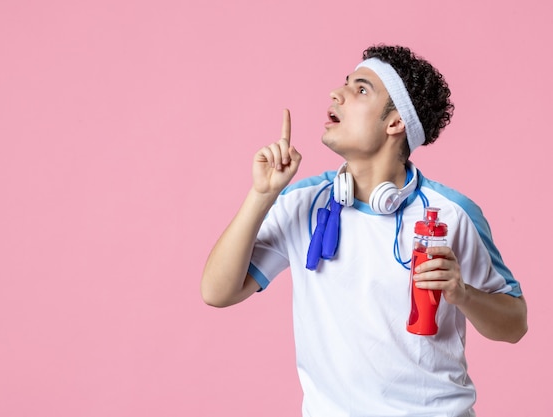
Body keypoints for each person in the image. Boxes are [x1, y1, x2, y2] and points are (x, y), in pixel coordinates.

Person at [200, 45, 527, 417]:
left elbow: (515, 324)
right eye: (345, 84)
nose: (336, 95)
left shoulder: (454, 215)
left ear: (395, 123)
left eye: (360, 90)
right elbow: (217, 291)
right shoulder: (302, 202)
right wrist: (261, 196)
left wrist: (462, 293)